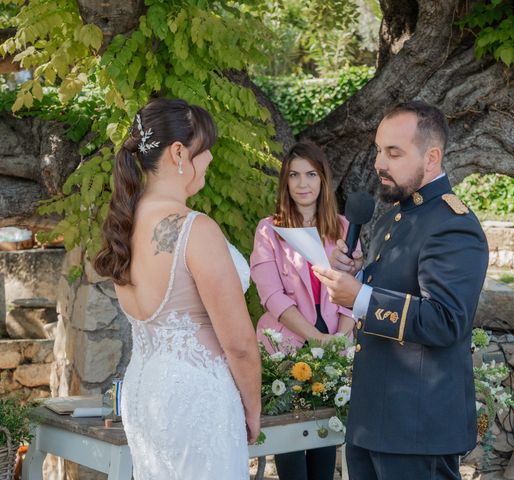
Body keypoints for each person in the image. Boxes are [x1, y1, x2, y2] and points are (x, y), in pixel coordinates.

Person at [313, 101, 489, 479]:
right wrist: (357, 279)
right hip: (373, 421)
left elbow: (446, 320)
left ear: (432, 157)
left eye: (394, 152)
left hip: (416, 429)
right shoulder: (397, 215)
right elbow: (396, 293)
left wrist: (359, 298)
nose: (380, 163)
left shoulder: (452, 224)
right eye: (379, 150)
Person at [93, 97, 261, 480]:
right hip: (195, 396)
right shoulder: (194, 229)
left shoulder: (124, 226)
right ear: (180, 152)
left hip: (144, 391)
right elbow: (239, 344)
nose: (211, 160)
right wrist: (252, 408)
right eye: (207, 151)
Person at [250, 141, 356, 480]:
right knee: (292, 452)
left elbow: (355, 288)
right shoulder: (269, 230)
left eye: (311, 174)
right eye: (294, 175)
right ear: (285, 182)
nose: (302, 183)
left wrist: (338, 339)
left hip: (335, 348)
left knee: (325, 449)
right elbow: (271, 296)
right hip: (286, 349)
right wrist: (316, 339)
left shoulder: (342, 227)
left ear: (324, 180)